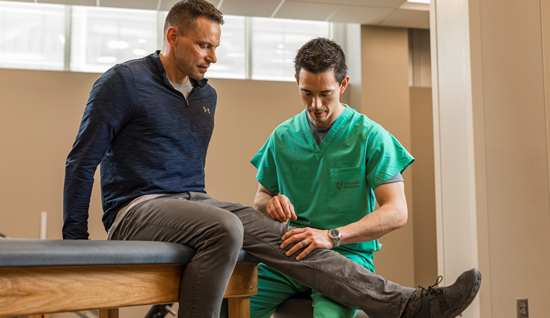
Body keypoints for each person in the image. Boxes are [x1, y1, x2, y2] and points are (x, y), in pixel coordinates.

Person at [63, 1, 481, 318]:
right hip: (136, 210)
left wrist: (318, 229)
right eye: (204, 45)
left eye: (216, 47)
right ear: (173, 37)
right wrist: (75, 246)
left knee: (290, 237)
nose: (212, 56)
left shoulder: (205, 95)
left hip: (193, 202)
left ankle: (408, 305)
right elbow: (81, 161)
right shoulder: (124, 82)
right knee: (226, 226)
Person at [249, 37, 415, 318]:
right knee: (227, 306)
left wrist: (331, 236)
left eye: (326, 94)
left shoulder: (370, 136)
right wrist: (270, 204)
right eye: (306, 93)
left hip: (347, 255)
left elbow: (397, 212)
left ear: (343, 84)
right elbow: (260, 197)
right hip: (291, 254)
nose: (316, 105)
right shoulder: (282, 136)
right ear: (296, 82)